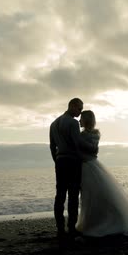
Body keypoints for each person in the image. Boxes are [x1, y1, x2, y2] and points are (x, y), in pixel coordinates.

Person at [49, 98, 98, 239]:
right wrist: (92, 148)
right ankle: (71, 228)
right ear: (72, 106)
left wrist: (57, 160)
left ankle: (60, 229)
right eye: (79, 109)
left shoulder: (53, 124)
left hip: (60, 161)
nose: (80, 112)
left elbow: (52, 146)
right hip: (72, 161)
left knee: (60, 195)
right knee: (73, 195)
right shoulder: (72, 122)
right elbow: (77, 143)